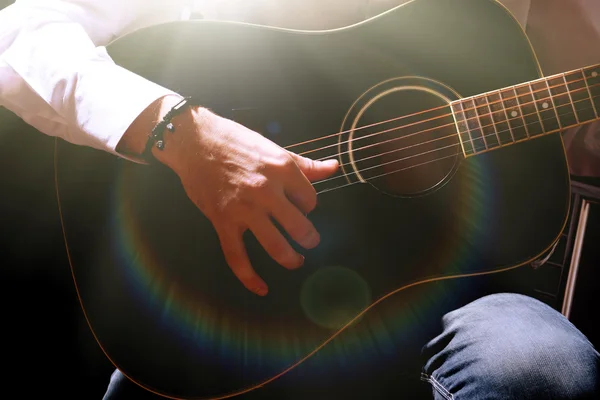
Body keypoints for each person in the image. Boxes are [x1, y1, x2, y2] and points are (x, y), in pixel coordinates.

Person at [1, 0, 599, 399]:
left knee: (546, 373)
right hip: (224, 305)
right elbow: (21, 37)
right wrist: (183, 133)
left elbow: (571, 114)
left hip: (440, 287)